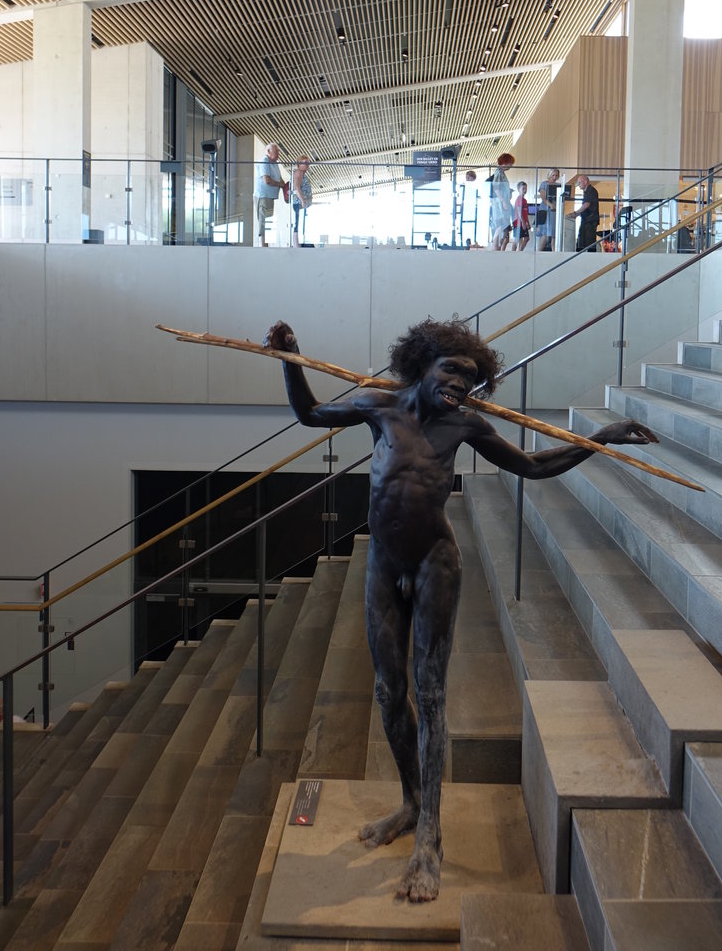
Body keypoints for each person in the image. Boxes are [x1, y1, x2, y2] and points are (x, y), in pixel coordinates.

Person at [264, 317, 657, 903]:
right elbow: (311, 415)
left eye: (470, 379)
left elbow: (533, 467)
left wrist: (602, 439)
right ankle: (410, 803)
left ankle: (431, 837)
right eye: (451, 370)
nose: (459, 384)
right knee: (388, 693)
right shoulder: (378, 406)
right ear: (422, 366)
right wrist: (291, 358)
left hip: (435, 564)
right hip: (383, 562)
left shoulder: (465, 424)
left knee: (430, 695)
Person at [255, 143, 287, 247]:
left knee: (268, 221)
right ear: (268, 151)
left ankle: (266, 246)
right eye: (276, 151)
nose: (278, 153)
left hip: (270, 196)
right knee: (263, 222)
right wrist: (280, 184)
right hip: (263, 196)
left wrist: (286, 187)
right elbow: (267, 180)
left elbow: (280, 180)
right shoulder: (264, 161)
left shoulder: (275, 164)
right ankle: (263, 247)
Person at [489, 153, 514, 250]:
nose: (510, 166)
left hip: (500, 202)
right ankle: (495, 245)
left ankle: (496, 245)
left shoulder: (501, 173)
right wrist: (503, 201)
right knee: (500, 224)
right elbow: (496, 188)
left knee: (501, 225)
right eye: (510, 163)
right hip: (499, 203)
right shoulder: (499, 173)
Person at [290, 156, 313, 246]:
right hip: (299, 204)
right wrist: (303, 200)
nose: (307, 165)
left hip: (301, 205)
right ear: (299, 164)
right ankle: (296, 245)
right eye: (305, 163)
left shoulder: (302, 174)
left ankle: (297, 244)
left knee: (298, 224)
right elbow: (297, 187)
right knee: (297, 224)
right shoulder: (298, 173)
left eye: (308, 163)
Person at [575, 174, 600, 252]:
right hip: (586, 220)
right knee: (582, 242)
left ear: (585, 181)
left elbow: (586, 204)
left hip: (590, 221)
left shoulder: (591, 191)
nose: (578, 184)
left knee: (589, 243)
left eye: (579, 182)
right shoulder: (587, 192)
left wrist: (575, 213)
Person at [538, 169, 560, 251]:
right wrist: (551, 205)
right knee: (545, 233)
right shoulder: (544, 184)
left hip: (554, 210)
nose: (554, 177)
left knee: (554, 233)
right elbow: (543, 198)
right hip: (546, 210)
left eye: (556, 175)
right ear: (549, 175)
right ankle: (538, 252)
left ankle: (554, 252)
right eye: (553, 175)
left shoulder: (559, 185)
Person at [512, 181, 530, 251]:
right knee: (517, 239)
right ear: (518, 189)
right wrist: (523, 222)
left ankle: (520, 251)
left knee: (526, 238)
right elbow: (519, 211)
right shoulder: (519, 199)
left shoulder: (524, 200)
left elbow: (525, 213)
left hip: (523, 222)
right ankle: (513, 253)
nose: (525, 190)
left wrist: (527, 222)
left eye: (526, 189)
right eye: (523, 189)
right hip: (518, 222)